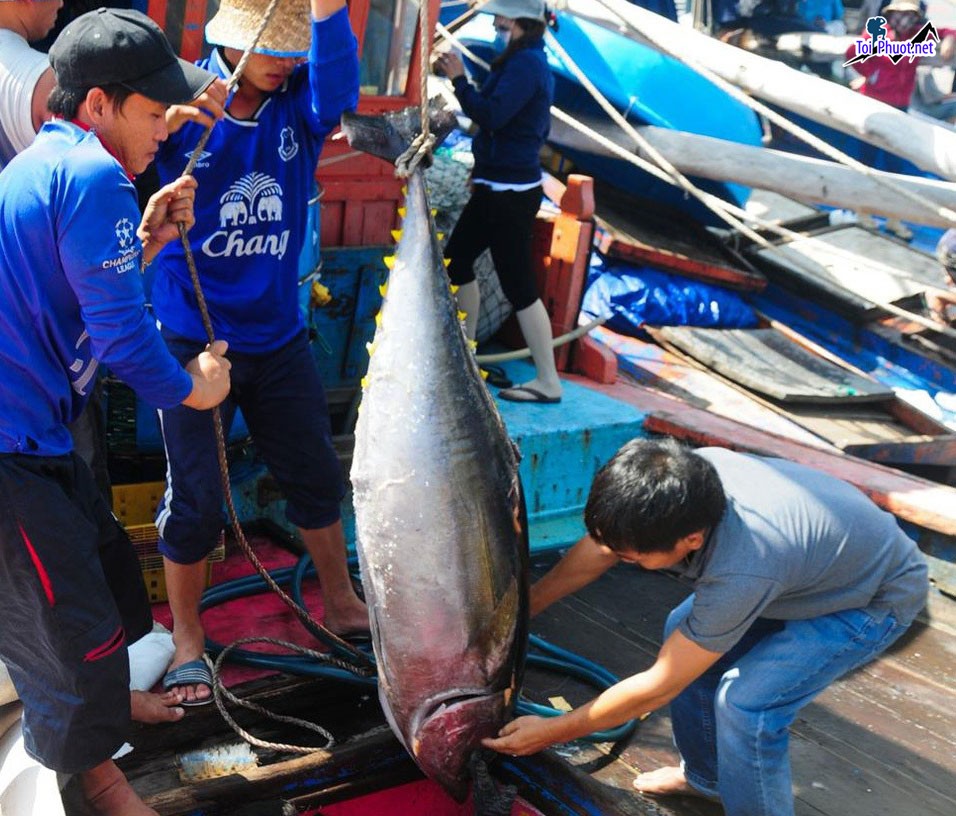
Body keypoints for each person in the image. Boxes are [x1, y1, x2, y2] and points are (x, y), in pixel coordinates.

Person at [0, 8, 232, 815]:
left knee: (104, 580)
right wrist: (196, 386)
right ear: (97, 104)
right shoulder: (97, 176)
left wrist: (149, 241)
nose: (169, 127)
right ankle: (94, 773)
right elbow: (128, 347)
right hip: (10, 453)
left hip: (38, 435)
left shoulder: (58, 165)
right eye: (153, 109)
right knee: (67, 628)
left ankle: (104, 708)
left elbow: (78, 304)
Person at [483, 439, 928, 816]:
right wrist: (523, 614)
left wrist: (554, 730)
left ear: (692, 540)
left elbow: (660, 686)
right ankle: (708, 780)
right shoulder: (674, 482)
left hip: (871, 598)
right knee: (686, 631)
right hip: (807, 570)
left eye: (633, 558)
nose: (621, 559)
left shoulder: (744, 566)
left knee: (748, 704)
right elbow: (602, 548)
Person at [150, 0, 368, 705]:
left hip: (277, 338)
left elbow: (339, 90)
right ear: (230, 42)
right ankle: (187, 640)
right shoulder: (178, 108)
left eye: (293, 49)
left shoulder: (298, 110)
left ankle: (339, 600)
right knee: (196, 504)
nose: (288, 61)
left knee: (314, 475)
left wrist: (328, 13)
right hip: (192, 338)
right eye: (273, 50)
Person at [434, 0, 562, 405]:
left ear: (517, 21)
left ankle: (548, 380)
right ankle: (468, 355)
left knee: (518, 284)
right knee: (457, 260)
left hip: (510, 193)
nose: (494, 24)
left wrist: (458, 79)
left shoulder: (526, 65)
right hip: (495, 185)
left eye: (499, 19)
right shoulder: (522, 60)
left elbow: (492, 115)